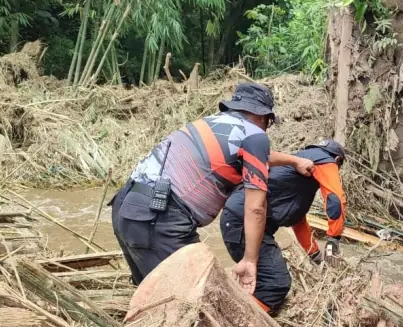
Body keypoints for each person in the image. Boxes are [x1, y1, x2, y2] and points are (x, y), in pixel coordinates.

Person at [111, 82, 314, 293]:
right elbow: (255, 208)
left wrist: (294, 161)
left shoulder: (211, 124)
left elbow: (257, 157)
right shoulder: (255, 135)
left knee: (151, 299)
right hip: (159, 220)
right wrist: (250, 260)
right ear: (264, 117)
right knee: (192, 304)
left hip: (127, 207)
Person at [221, 138, 347, 315]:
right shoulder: (325, 160)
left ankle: (239, 307)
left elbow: (298, 221)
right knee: (275, 282)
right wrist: (333, 239)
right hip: (244, 222)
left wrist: (316, 256)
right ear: (337, 161)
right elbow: (335, 200)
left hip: (236, 221)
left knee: (262, 280)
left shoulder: (294, 174)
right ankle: (242, 324)